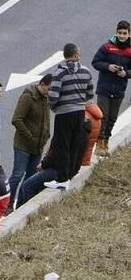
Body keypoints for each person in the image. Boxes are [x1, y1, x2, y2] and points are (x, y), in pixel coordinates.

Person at [45, 43, 94, 188]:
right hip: (79, 112)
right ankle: (70, 175)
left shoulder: (60, 73)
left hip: (63, 113)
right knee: (74, 143)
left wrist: (54, 107)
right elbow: (90, 93)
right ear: (76, 54)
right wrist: (79, 101)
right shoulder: (86, 71)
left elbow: (53, 96)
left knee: (62, 145)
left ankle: (62, 178)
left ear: (65, 55)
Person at [6, 74, 52, 212]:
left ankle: (21, 204)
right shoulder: (29, 96)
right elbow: (17, 119)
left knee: (31, 177)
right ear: (42, 84)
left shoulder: (46, 98)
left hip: (37, 146)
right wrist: (30, 137)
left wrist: (46, 136)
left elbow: (46, 120)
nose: (50, 92)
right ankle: (7, 205)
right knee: (17, 175)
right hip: (23, 145)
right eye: (49, 88)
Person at [90, 20, 131, 156]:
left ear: (129, 34)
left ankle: (106, 141)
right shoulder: (107, 47)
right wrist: (108, 67)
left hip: (119, 90)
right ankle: (99, 142)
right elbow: (95, 62)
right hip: (104, 88)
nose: (122, 36)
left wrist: (126, 73)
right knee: (103, 116)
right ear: (116, 33)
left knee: (112, 118)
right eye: (120, 33)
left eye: (124, 33)